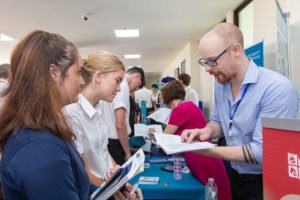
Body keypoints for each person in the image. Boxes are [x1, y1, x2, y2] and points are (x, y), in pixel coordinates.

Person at [181, 23, 299, 200]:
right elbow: (219, 122)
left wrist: (206, 150)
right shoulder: (221, 83)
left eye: (212, 61)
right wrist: (206, 131)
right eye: (205, 62)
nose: (207, 69)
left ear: (236, 50)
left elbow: (262, 152)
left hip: (267, 183)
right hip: (235, 174)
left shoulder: (276, 88)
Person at [0, 30, 95, 199]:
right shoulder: (40, 148)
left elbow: (72, 184)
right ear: (54, 72)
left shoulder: (39, 130)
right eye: (78, 72)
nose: (82, 82)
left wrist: (111, 189)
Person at [64, 51, 142, 200]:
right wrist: (112, 192)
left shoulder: (98, 108)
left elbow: (103, 152)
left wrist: (121, 181)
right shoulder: (72, 115)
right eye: (117, 81)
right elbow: (83, 172)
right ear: (98, 77)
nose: (119, 89)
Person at [152, 80, 231, 200]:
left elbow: (166, 136)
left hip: (201, 157)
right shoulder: (187, 105)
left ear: (166, 97)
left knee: (212, 194)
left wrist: (153, 134)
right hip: (200, 154)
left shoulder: (180, 109)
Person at [101, 66, 145, 165]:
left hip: (110, 140)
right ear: (137, 76)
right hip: (116, 143)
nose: (135, 89)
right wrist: (127, 152)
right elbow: (120, 124)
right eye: (138, 86)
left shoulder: (113, 85)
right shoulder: (123, 86)